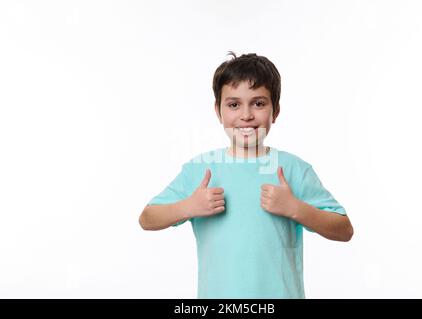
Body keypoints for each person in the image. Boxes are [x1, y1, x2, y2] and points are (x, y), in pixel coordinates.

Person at [139, 51, 354, 299]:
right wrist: (189, 206)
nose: (246, 115)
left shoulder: (294, 169)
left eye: (259, 103)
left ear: (276, 110)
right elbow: (147, 218)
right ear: (218, 111)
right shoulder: (200, 169)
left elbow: (344, 230)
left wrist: (295, 208)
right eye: (233, 104)